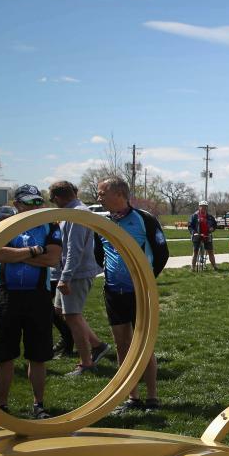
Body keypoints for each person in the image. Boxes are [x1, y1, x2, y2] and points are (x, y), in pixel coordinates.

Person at [0, 185, 62, 419]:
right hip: (7, 295)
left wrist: (17, 254)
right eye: (29, 203)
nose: (35, 207)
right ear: (17, 204)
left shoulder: (51, 225)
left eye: (38, 202)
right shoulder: (3, 225)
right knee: (4, 355)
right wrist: (33, 251)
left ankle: (38, 405)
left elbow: (52, 258)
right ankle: (2, 406)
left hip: (38, 296)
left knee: (38, 355)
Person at [96, 177, 168, 414]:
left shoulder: (144, 219)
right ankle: (131, 397)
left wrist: (145, 281)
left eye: (102, 192)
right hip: (113, 292)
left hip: (140, 293)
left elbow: (162, 253)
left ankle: (152, 398)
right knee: (122, 345)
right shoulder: (104, 223)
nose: (99, 197)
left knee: (144, 345)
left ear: (118, 193)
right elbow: (100, 255)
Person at [49, 181, 111, 376]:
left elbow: (74, 249)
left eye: (52, 200)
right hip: (69, 272)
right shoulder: (70, 212)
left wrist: (65, 277)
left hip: (76, 273)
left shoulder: (77, 214)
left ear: (58, 198)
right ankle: (98, 345)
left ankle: (86, 363)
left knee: (72, 316)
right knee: (61, 310)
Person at [188, 201, 219, 271]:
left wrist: (212, 228)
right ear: (199, 207)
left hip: (207, 235)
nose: (203, 208)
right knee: (195, 252)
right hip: (197, 235)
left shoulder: (210, 217)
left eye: (205, 206)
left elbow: (215, 225)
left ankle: (214, 266)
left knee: (210, 251)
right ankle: (192, 267)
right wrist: (193, 232)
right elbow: (190, 226)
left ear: (207, 208)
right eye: (202, 206)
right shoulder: (194, 216)